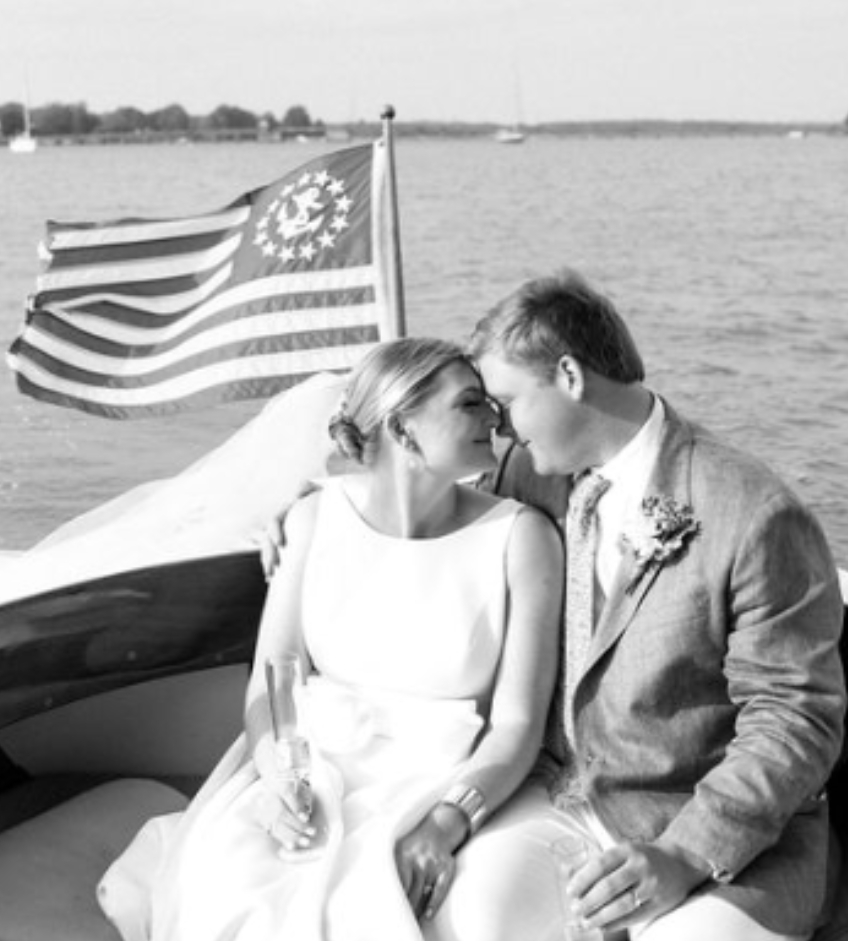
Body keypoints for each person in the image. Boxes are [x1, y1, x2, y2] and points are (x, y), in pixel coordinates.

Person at [98, 337, 565, 941]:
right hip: (307, 765)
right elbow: (278, 671)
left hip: (441, 780)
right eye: (470, 404)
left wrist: (448, 821)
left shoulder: (521, 538)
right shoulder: (314, 519)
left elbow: (517, 727)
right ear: (403, 427)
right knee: (235, 890)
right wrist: (278, 779)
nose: (495, 418)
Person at [465, 272, 848, 941]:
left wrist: (683, 854)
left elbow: (795, 720)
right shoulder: (526, 475)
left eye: (505, 402)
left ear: (570, 377)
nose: (498, 427)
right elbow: (429, 507)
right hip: (565, 800)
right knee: (472, 917)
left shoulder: (753, 512)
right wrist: (310, 515)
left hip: (719, 834)